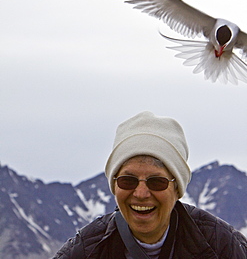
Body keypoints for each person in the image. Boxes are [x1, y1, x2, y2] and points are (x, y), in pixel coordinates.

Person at [53, 111, 247, 258]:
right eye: (128, 180)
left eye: (157, 182)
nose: (141, 193)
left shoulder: (222, 245)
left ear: (177, 188)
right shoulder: (85, 251)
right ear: (114, 185)